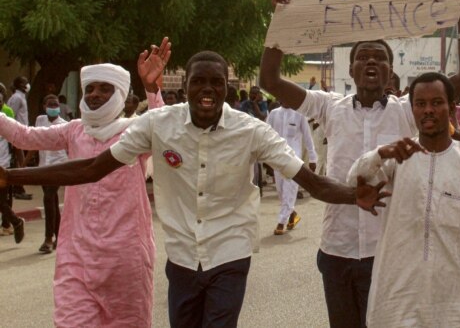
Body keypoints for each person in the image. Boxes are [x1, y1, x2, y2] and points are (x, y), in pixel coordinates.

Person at [0, 49, 389, 328]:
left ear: (227, 87)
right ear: (185, 85)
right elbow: (92, 168)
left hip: (229, 254)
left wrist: (352, 195)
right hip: (183, 257)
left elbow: (307, 178)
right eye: (198, 81)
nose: (207, 90)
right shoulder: (158, 126)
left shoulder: (251, 129)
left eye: (216, 82)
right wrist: (11, 177)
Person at [262, 0, 460, 328]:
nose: (372, 63)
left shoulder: (407, 110)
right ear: (351, 68)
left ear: (392, 71)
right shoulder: (329, 107)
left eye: (380, 58)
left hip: (388, 252)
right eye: (364, 57)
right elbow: (270, 81)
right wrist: (281, 17)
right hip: (337, 249)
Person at [0, 39, 170, 326]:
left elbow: (165, 129)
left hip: (126, 259)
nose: (95, 94)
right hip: (76, 257)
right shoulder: (74, 131)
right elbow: (23, 136)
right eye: (89, 88)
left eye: (105, 88)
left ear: (120, 94)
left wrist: (152, 89)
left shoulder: (136, 132)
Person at [346, 72, 460, 327]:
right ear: (412, 110)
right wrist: (379, 153)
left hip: (451, 305)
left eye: (437, 102)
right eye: (420, 104)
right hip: (393, 303)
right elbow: (352, 178)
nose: (428, 110)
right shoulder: (395, 158)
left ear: (452, 107)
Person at [266, 102, 317, 235]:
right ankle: (292, 214)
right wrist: (265, 158)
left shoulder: (299, 114)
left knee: (289, 188)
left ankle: (281, 222)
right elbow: (265, 135)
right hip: (276, 157)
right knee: (281, 190)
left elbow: (307, 137)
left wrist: (313, 158)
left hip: (293, 159)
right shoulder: (273, 114)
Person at [31, 94, 70, 254]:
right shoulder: (40, 120)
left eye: (56, 105)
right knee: (52, 201)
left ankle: (48, 238)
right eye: (50, 104)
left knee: (48, 198)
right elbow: (34, 140)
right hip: (43, 165)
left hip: (58, 166)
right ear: (44, 106)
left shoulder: (65, 125)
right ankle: (60, 237)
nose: (53, 107)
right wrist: (26, 163)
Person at [0, 90, 25, 244]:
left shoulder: (6, 121)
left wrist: (20, 166)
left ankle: (15, 222)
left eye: (0, 101)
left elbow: (17, 143)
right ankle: (14, 222)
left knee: (1, 201)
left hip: (3, 167)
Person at [7, 76, 32, 200]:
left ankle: (18, 187)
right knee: (20, 162)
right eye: (24, 83)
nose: (27, 84)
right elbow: (11, 116)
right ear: (19, 85)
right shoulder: (17, 98)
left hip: (21, 134)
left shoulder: (21, 97)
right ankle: (18, 188)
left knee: (20, 162)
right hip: (16, 134)